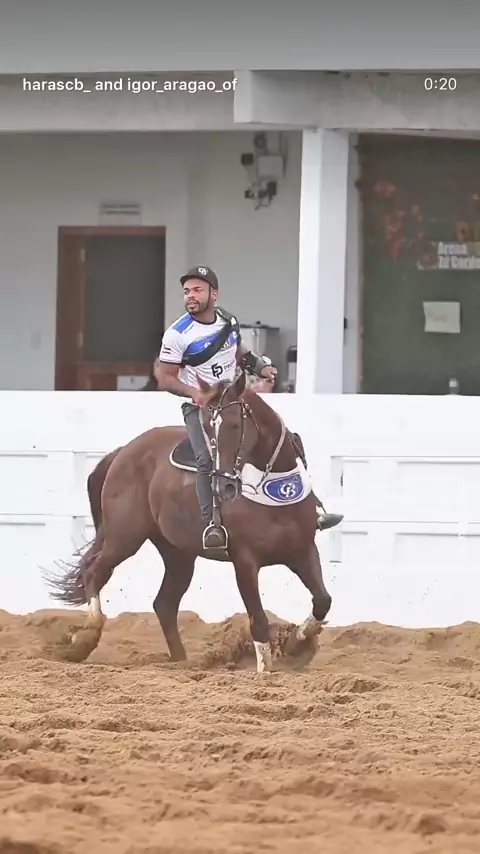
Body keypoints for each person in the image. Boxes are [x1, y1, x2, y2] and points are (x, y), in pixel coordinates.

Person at [154, 266, 343, 551]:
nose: (190, 296)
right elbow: (165, 377)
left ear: (213, 294)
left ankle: (312, 508)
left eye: (197, 290)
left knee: (286, 439)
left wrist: (260, 366)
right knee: (206, 460)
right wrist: (195, 393)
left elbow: (238, 352)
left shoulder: (227, 321)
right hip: (202, 407)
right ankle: (212, 524)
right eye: (187, 291)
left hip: (236, 399)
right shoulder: (177, 335)